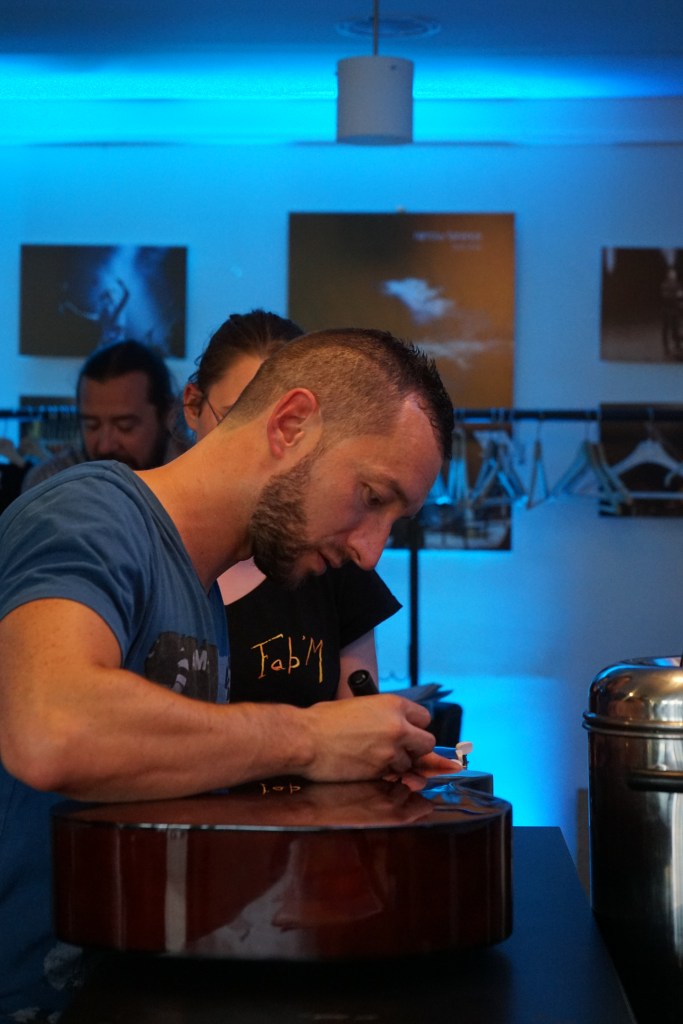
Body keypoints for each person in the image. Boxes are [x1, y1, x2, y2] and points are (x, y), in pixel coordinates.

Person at [0, 326, 455, 1020]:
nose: (371, 552)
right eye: (370, 496)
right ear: (291, 425)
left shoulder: (203, 594)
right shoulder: (89, 514)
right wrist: (311, 739)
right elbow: (50, 729)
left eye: (395, 519)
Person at [183, 310, 401, 704]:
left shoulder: (331, 552)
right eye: (237, 418)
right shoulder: (140, 542)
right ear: (193, 405)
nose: (267, 445)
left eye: (290, 427)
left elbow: (360, 716)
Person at [21, 338, 187, 492]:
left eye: (125, 426)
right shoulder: (51, 485)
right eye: (92, 426)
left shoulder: (195, 482)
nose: (105, 446)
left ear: (168, 414)